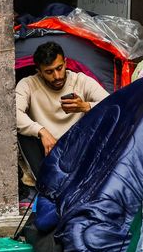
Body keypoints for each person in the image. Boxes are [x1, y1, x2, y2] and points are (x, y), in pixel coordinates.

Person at [15, 41, 109, 179]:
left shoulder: (81, 81)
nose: (57, 76)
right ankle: (42, 182)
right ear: (39, 72)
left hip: (78, 147)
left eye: (59, 68)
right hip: (46, 150)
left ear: (65, 63)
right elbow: (13, 114)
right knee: (23, 134)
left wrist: (85, 107)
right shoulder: (28, 85)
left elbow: (114, 105)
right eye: (49, 72)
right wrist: (41, 131)